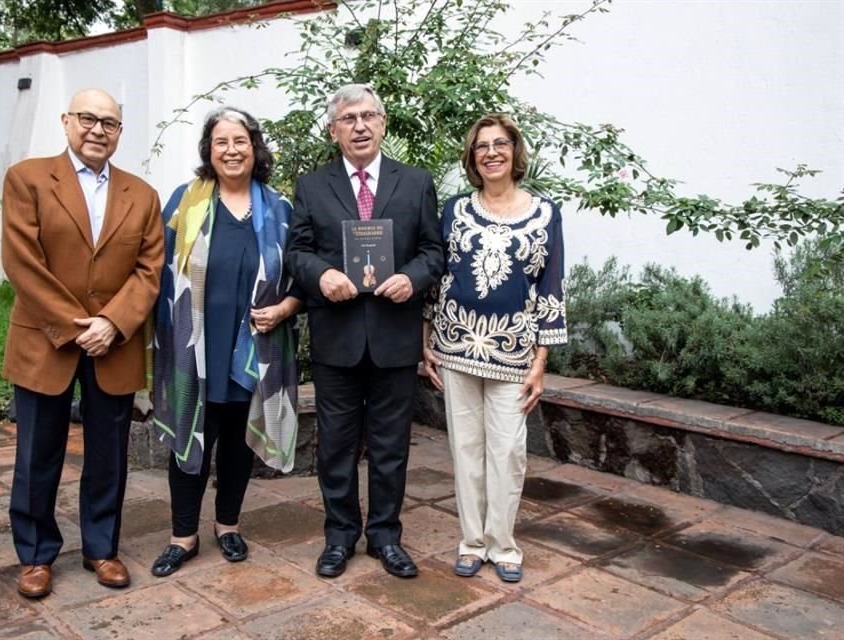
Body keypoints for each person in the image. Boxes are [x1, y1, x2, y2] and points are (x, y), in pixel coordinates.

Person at [1, 88, 164, 598]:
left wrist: (113, 323)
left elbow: (149, 270)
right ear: (67, 121)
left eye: (110, 123)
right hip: (44, 342)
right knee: (37, 454)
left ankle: (101, 548)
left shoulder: (142, 194)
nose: (98, 130)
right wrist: (78, 327)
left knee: (108, 456)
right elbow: (22, 263)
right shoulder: (28, 178)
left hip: (114, 344)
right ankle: (35, 555)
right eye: (88, 119)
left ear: (120, 132)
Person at [285, 84, 444, 579]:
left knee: (391, 444)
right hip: (338, 337)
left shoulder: (415, 183)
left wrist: (412, 277)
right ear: (333, 130)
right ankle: (339, 537)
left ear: (384, 123)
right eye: (348, 118)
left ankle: (384, 536)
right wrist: (321, 275)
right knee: (334, 445)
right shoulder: (312, 186)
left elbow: (434, 252)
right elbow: (296, 251)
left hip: (394, 337)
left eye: (368, 116)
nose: (359, 126)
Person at [150, 107, 302, 577]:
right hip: (193, 348)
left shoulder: (280, 209)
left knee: (237, 446)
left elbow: (301, 278)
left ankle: (228, 526)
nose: (232, 150)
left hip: (255, 349)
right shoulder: (184, 203)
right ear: (208, 151)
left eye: (241, 141)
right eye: (222, 142)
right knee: (189, 443)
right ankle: (183, 536)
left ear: (255, 148)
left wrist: (286, 308)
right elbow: (154, 272)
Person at [422, 113, 567, 583]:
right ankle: (471, 543)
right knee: (466, 450)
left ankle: (504, 546)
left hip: (514, 352)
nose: (491, 153)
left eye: (500, 144)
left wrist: (542, 361)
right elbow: (437, 277)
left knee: (507, 452)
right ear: (472, 156)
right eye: (482, 146)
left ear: (514, 151)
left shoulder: (545, 214)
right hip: (456, 346)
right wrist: (425, 340)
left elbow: (551, 287)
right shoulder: (455, 210)